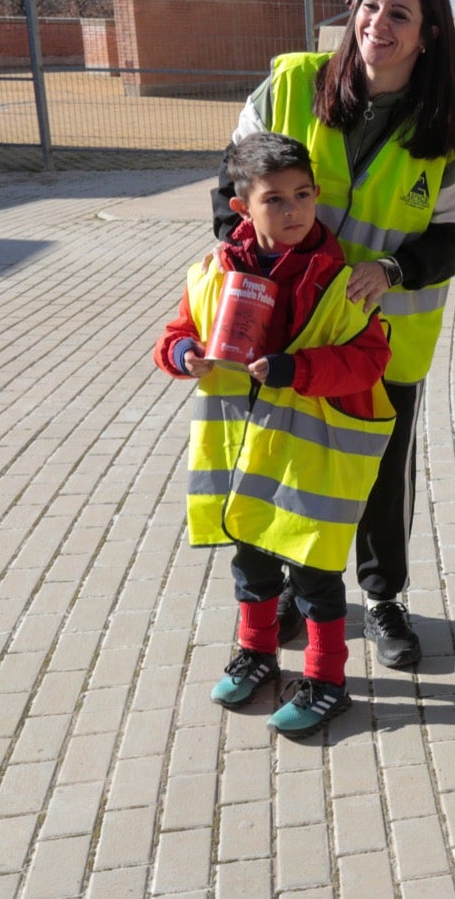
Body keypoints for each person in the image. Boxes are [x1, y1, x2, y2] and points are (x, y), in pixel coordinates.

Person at [213, 0, 455, 670]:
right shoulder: (291, 84)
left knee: (380, 474)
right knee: (280, 461)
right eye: (369, 5)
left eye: (399, 14)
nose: (377, 24)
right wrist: (251, 271)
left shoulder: (454, 132)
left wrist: (389, 270)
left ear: (427, 34)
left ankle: (384, 598)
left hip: (385, 339)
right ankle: (286, 594)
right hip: (285, 335)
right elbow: (230, 187)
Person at [157, 133, 394, 738]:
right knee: (252, 565)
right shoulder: (214, 271)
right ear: (242, 207)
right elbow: (176, 333)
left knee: (315, 577)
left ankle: (327, 680)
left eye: (303, 195)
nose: (294, 210)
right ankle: (257, 653)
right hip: (243, 456)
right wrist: (184, 355)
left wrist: (299, 370)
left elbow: (370, 360)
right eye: (275, 200)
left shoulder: (340, 279)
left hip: (309, 463)